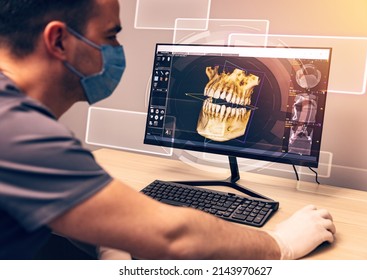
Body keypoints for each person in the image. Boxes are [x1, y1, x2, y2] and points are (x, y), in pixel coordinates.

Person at [0, 0, 336, 260]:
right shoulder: (17, 128)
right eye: (110, 35)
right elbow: (174, 236)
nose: (116, 50)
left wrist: (110, 237)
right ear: (59, 40)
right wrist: (279, 244)